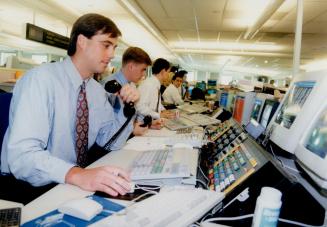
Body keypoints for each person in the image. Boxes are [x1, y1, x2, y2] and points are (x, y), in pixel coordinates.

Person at [1, 13, 139, 198]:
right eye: (106, 45)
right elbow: (22, 156)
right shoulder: (40, 80)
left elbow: (109, 141)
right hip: (30, 185)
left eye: (114, 48)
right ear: (82, 41)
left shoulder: (96, 91)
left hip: (70, 180)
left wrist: (125, 108)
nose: (112, 54)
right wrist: (77, 174)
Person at [104, 46, 152, 136]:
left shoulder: (131, 85)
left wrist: (148, 124)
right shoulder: (109, 87)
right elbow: (106, 130)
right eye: (143, 70)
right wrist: (131, 131)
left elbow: (133, 114)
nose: (144, 74)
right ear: (131, 67)